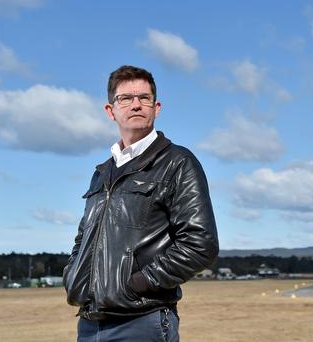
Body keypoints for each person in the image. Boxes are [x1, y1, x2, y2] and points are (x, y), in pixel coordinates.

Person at [63, 65, 219, 342]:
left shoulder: (177, 163)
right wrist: (75, 278)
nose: (136, 104)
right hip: (90, 323)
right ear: (110, 111)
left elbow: (200, 242)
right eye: (125, 98)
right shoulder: (102, 173)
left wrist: (137, 284)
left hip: (142, 322)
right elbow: (82, 239)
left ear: (156, 107)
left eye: (144, 98)